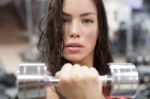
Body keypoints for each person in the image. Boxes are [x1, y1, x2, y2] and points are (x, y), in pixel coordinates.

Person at [38, 0, 113, 98]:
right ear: (53, 27)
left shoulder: (114, 86)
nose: (74, 31)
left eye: (87, 20)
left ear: (99, 28)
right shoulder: (44, 90)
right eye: (63, 20)